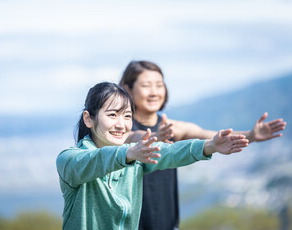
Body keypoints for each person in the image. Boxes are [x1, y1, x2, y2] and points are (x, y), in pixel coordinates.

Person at [56, 82, 249, 230]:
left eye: (127, 116)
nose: (121, 124)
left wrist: (209, 146)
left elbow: (169, 151)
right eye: (113, 115)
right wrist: (128, 152)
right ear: (88, 119)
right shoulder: (69, 160)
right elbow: (94, 161)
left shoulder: (135, 156)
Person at [119, 60, 287, 230]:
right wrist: (155, 137)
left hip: (167, 223)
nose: (154, 92)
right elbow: (132, 137)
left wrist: (251, 135)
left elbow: (212, 137)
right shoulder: (119, 129)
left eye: (159, 85)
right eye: (146, 85)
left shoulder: (174, 128)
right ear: (127, 89)